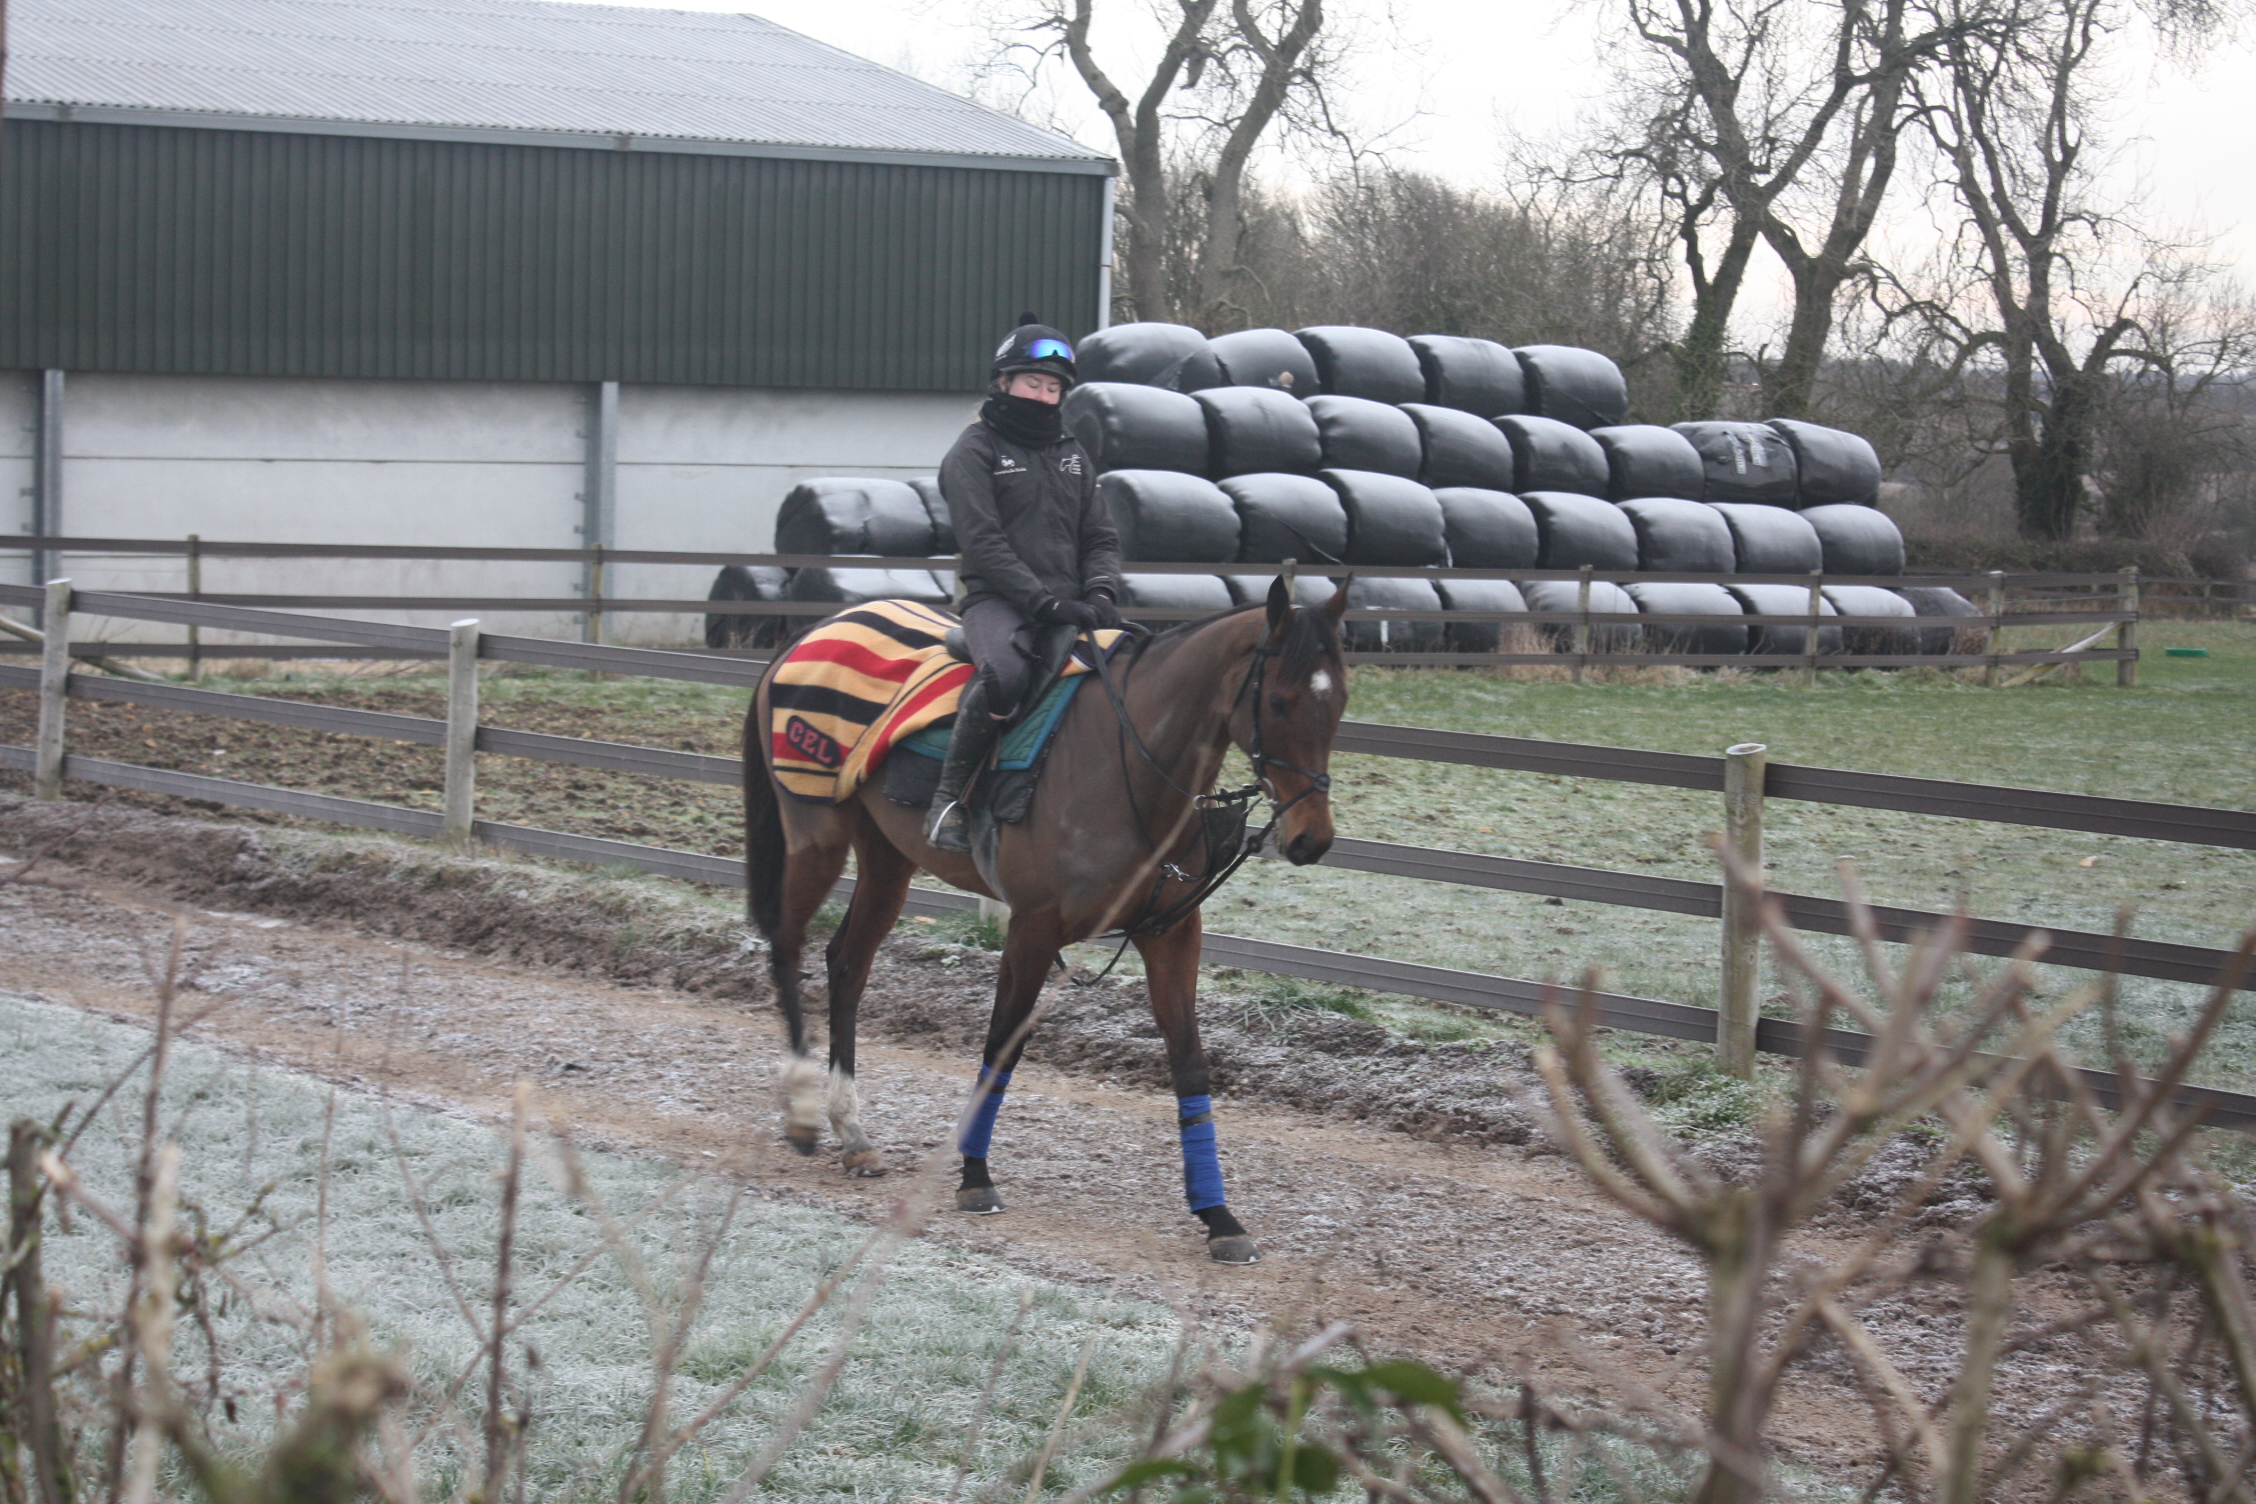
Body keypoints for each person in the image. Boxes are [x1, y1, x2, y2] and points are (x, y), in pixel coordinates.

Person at [924, 314, 1125, 852]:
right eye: (1033, 383)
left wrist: (1102, 591)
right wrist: (1043, 601)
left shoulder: (1073, 455)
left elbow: (1100, 536)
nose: (1043, 395)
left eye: (1053, 387)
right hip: (999, 601)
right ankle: (948, 799)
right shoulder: (973, 452)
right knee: (1008, 676)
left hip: (1073, 602)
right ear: (1005, 383)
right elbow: (984, 543)